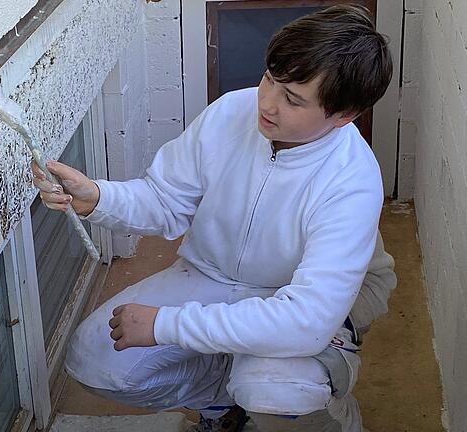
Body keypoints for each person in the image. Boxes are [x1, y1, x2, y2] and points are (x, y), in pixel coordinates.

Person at [32, 5, 396, 431]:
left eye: (293, 99)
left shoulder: (352, 180)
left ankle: (332, 417)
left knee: (275, 387)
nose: (267, 103)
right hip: (213, 272)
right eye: (269, 79)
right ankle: (225, 406)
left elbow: (305, 321)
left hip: (299, 295)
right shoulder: (231, 112)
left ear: (343, 115)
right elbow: (166, 200)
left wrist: (167, 325)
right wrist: (97, 197)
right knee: (95, 359)